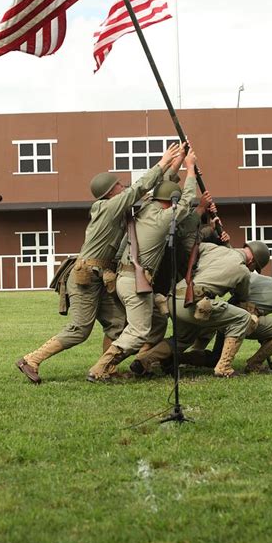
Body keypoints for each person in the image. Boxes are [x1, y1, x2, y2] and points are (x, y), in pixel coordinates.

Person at [15, 142, 182, 384]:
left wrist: (176, 164)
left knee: (116, 324)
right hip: (85, 277)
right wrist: (163, 161)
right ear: (110, 192)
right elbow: (139, 188)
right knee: (80, 329)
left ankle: (107, 369)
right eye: (119, 186)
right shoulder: (107, 207)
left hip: (100, 276)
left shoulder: (116, 207)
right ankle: (31, 360)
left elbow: (154, 190)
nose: (123, 187)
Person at [87, 146, 198, 382]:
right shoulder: (162, 218)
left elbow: (162, 186)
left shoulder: (146, 207)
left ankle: (142, 362)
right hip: (135, 282)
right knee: (138, 332)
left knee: (158, 320)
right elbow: (186, 202)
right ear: (169, 203)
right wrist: (191, 171)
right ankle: (101, 367)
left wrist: (177, 162)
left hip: (125, 279)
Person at [129, 239, 271, 378]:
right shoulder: (243, 271)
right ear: (252, 261)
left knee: (181, 340)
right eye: (255, 267)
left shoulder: (213, 248)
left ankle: (142, 361)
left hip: (174, 298)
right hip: (193, 304)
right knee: (243, 317)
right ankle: (224, 367)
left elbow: (194, 246)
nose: (253, 270)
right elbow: (241, 297)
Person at [184, 268, 272, 373]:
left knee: (215, 358)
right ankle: (254, 364)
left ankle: (178, 358)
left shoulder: (264, 279)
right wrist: (268, 336)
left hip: (227, 315)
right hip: (243, 320)